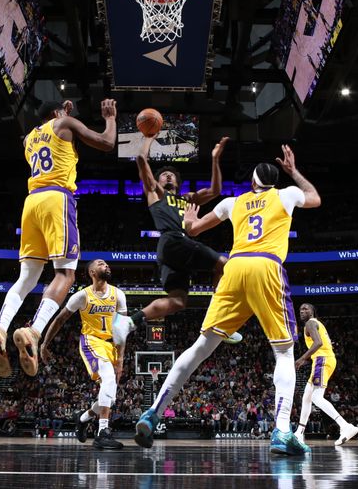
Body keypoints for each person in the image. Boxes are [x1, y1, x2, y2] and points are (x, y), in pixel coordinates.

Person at [133, 145, 321, 456]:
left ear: (253, 184)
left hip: (234, 269)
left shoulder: (233, 203)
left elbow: (191, 228)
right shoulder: (286, 194)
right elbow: (315, 198)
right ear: (274, 182)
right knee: (284, 353)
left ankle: (152, 413)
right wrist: (294, 172)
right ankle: (282, 430)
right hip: (266, 266)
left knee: (200, 348)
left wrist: (191, 218)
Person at [0, 99, 117, 378]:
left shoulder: (29, 139)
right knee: (66, 274)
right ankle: (34, 331)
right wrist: (110, 117)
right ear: (61, 110)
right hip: (57, 199)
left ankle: (0, 326)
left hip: (31, 203)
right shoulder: (64, 122)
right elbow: (107, 142)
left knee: (27, 277)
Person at [114, 135, 242, 344]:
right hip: (173, 240)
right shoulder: (156, 193)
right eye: (163, 175)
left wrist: (215, 160)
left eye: (171, 175)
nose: (168, 176)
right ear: (157, 181)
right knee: (225, 265)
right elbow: (140, 158)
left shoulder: (187, 198)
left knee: (178, 301)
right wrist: (148, 138)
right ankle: (220, 320)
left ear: (178, 181)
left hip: (172, 251)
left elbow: (215, 190)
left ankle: (128, 323)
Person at [40, 259, 127, 449]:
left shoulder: (118, 295)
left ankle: (83, 418)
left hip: (111, 345)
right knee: (108, 379)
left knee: (110, 396)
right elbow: (60, 319)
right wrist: (44, 343)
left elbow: (122, 329)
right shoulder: (82, 296)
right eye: (101, 264)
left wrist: (120, 358)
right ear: (92, 272)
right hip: (91, 341)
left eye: (106, 264)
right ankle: (102, 432)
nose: (106, 266)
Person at [294, 303, 358, 446]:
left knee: (316, 397)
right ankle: (299, 432)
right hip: (322, 359)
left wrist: (302, 358)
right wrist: (307, 359)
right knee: (307, 397)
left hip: (322, 360)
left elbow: (318, 343)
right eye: (300, 309)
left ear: (312, 312)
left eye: (306, 308)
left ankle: (345, 426)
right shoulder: (316, 324)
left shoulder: (310, 323)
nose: (302, 311)